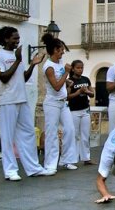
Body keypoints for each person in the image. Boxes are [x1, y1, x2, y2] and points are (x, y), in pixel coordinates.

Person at [0, 26, 55, 181]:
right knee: (7, 137)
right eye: (15, 38)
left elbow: (23, 78)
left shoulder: (15, 56)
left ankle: (33, 168)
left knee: (28, 133)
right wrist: (19, 60)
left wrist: (33, 64)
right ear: (6, 39)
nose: (17, 41)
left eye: (18, 38)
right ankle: (10, 170)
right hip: (8, 101)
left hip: (22, 99)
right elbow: (4, 78)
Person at [41, 33, 78, 172]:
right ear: (55, 50)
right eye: (61, 49)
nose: (63, 52)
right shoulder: (49, 66)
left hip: (63, 103)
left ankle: (67, 160)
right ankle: (50, 164)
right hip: (52, 103)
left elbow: (60, 83)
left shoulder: (59, 63)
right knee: (52, 133)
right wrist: (66, 74)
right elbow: (56, 87)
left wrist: (66, 81)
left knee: (69, 129)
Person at [67, 59, 96, 165]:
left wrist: (87, 91)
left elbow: (92, 94)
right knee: (75, 135)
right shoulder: (69, 81)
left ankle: (86, 158)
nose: (80, 70)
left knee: (85, 134)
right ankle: (73, 158)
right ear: (73, 69)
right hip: (74, 110)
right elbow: (67, 96)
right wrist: (78, 92)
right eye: (78, 68)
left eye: (81, 67)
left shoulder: (86, 79)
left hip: (85, 109)